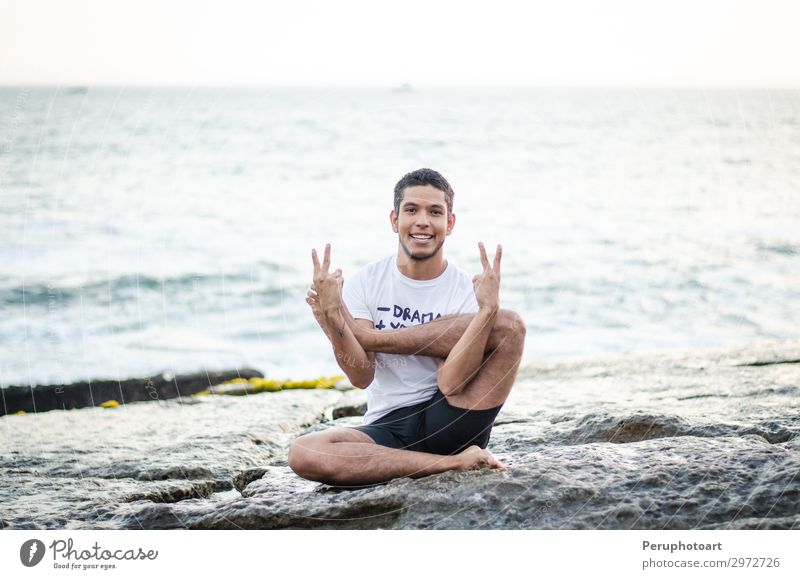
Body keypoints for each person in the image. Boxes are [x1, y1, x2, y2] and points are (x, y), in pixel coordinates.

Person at [288, 168, 525, 486]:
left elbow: (452, 383)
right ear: (394, 220)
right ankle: (451, 464)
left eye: (435, 212)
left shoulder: (463, 289)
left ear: (449, 224)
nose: (423, 221)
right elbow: (361, 375)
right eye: (411, 210)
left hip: (451, 416)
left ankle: (446, 456)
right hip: (387, 426)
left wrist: (487, 310)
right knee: (304, 452)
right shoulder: (366, 283)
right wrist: (332, 320)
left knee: (509, 324)